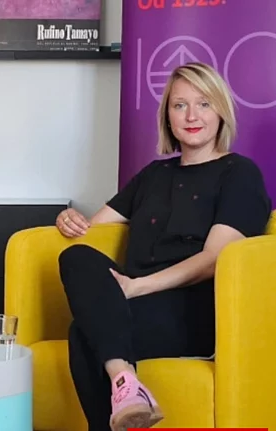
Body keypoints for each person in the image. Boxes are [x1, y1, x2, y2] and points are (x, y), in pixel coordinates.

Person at [55, 62, 272, 431]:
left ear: (221, 111)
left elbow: (214, 259)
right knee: (75, 255)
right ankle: (126, 382)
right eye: (179, 105)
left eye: (204, 104)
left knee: (82, 333)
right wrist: (67, 218)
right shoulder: (154, 175)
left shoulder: (239, 173)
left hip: (193, 310)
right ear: (167, 116)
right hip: (131, 303)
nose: (191, 116)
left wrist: (135, 287)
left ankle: (121, 386)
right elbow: (92, 229)